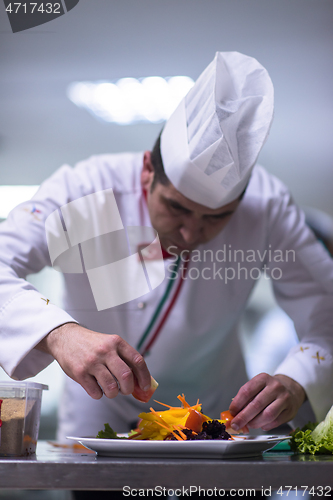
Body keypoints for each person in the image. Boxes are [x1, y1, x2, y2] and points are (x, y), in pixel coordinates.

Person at [0, 52, 333, 446]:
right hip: (98, 411)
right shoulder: (88, 191)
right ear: (147, 171)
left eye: (217, 217)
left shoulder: (267, 206)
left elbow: (325, 313)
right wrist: (58, 332)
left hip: (216, 417)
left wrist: (298, 379)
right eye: (177, 207)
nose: (191, 233)